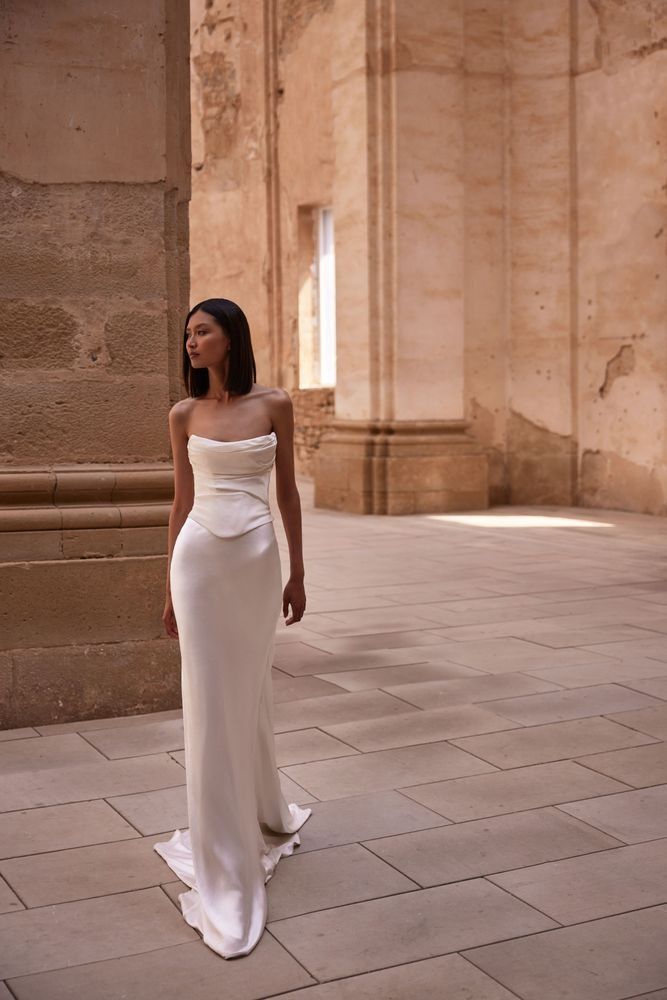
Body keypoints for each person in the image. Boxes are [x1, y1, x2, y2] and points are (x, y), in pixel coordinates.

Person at [153, 297, 312, 959]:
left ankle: (259, 811)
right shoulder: (182, 414)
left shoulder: (273, 403)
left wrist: (298, 573)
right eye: (188, 333)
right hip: (197, 560)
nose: (191, 342)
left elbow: (287, 494)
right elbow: (180, 500)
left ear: (230, 337)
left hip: (254, 558)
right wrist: (166, 583)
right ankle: (220, 847)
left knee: (246, 690)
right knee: (207, 698)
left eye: (202, 331)